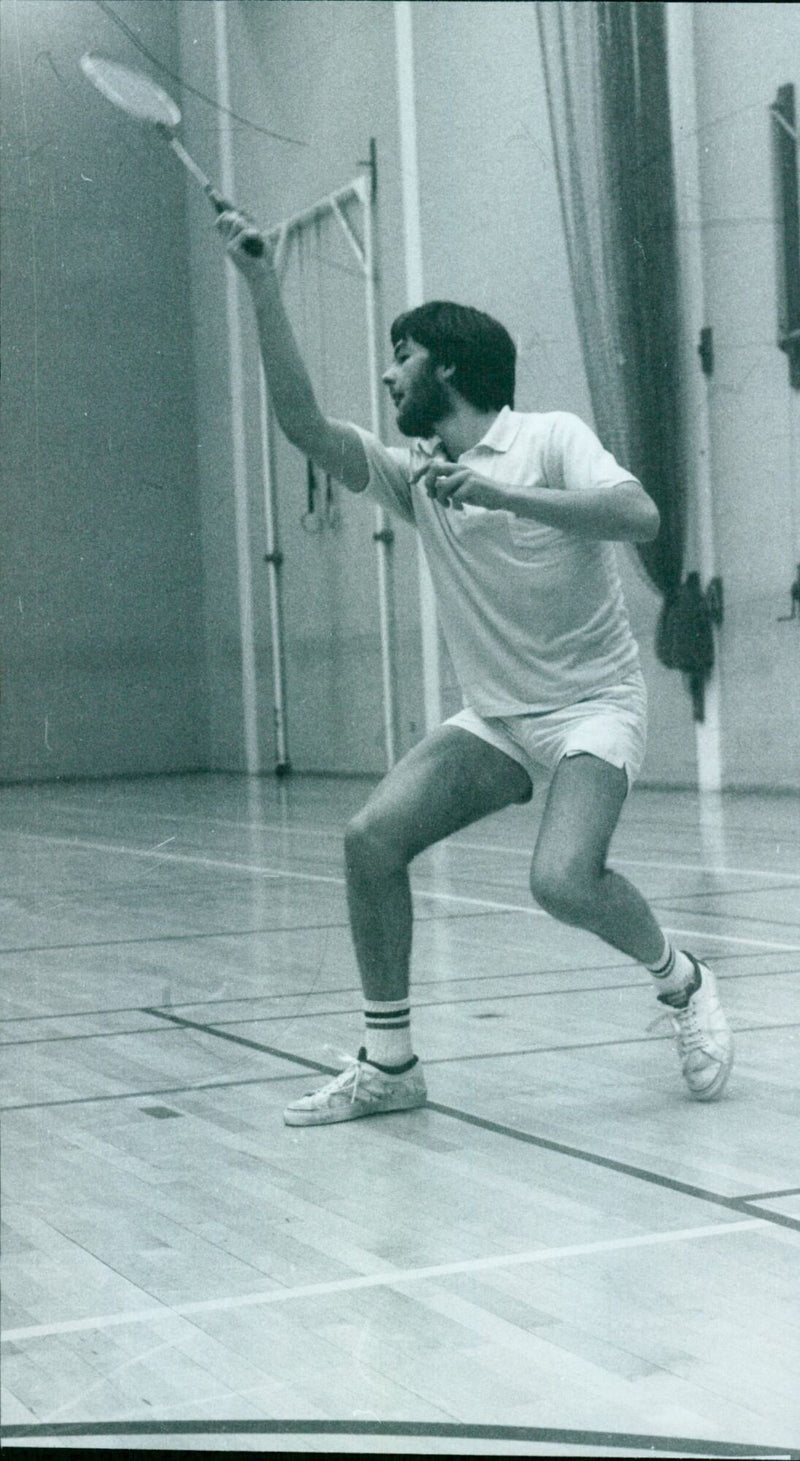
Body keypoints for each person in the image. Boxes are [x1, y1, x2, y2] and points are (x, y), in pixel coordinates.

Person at [215, 209, 734, 1126]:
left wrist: (497, 492)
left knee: (562, 880)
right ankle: (390, 1063)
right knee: (371, 840)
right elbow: (303, 426)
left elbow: (641, 516)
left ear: (446, 365)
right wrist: (261, 285)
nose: (386, 372)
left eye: (401, 354)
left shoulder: (549, 437)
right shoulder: (413, 471)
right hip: (496, 717)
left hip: (590, 708)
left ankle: (682, 981)